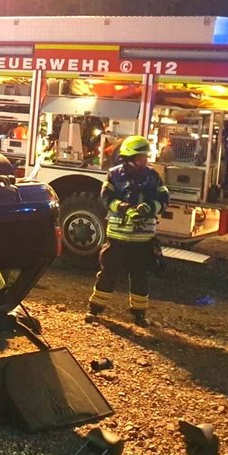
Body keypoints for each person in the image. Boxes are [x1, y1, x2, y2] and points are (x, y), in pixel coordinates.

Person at [86, 135, 169, 327]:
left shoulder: (153, 176)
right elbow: (106, 198)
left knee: (140, 275)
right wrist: (125, 208)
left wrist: (151, 207)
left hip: (144, 238)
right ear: (129, 157)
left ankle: (139, 314)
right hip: (117, 237)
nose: (144, 160)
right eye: (141, 157)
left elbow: (164, 199)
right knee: (108, 273)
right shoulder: (114, 175)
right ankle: (95, 310)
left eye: (145, 156)